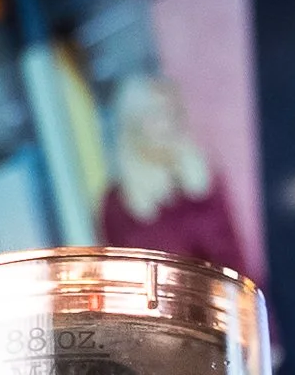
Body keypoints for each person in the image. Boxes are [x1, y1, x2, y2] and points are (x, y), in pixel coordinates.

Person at [98, 70, 248, 272]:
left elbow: (236, 261)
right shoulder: (117, 206)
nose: (170, 123)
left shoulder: (204, 178)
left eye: (174, 112)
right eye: (158, 114)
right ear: (133, 124)